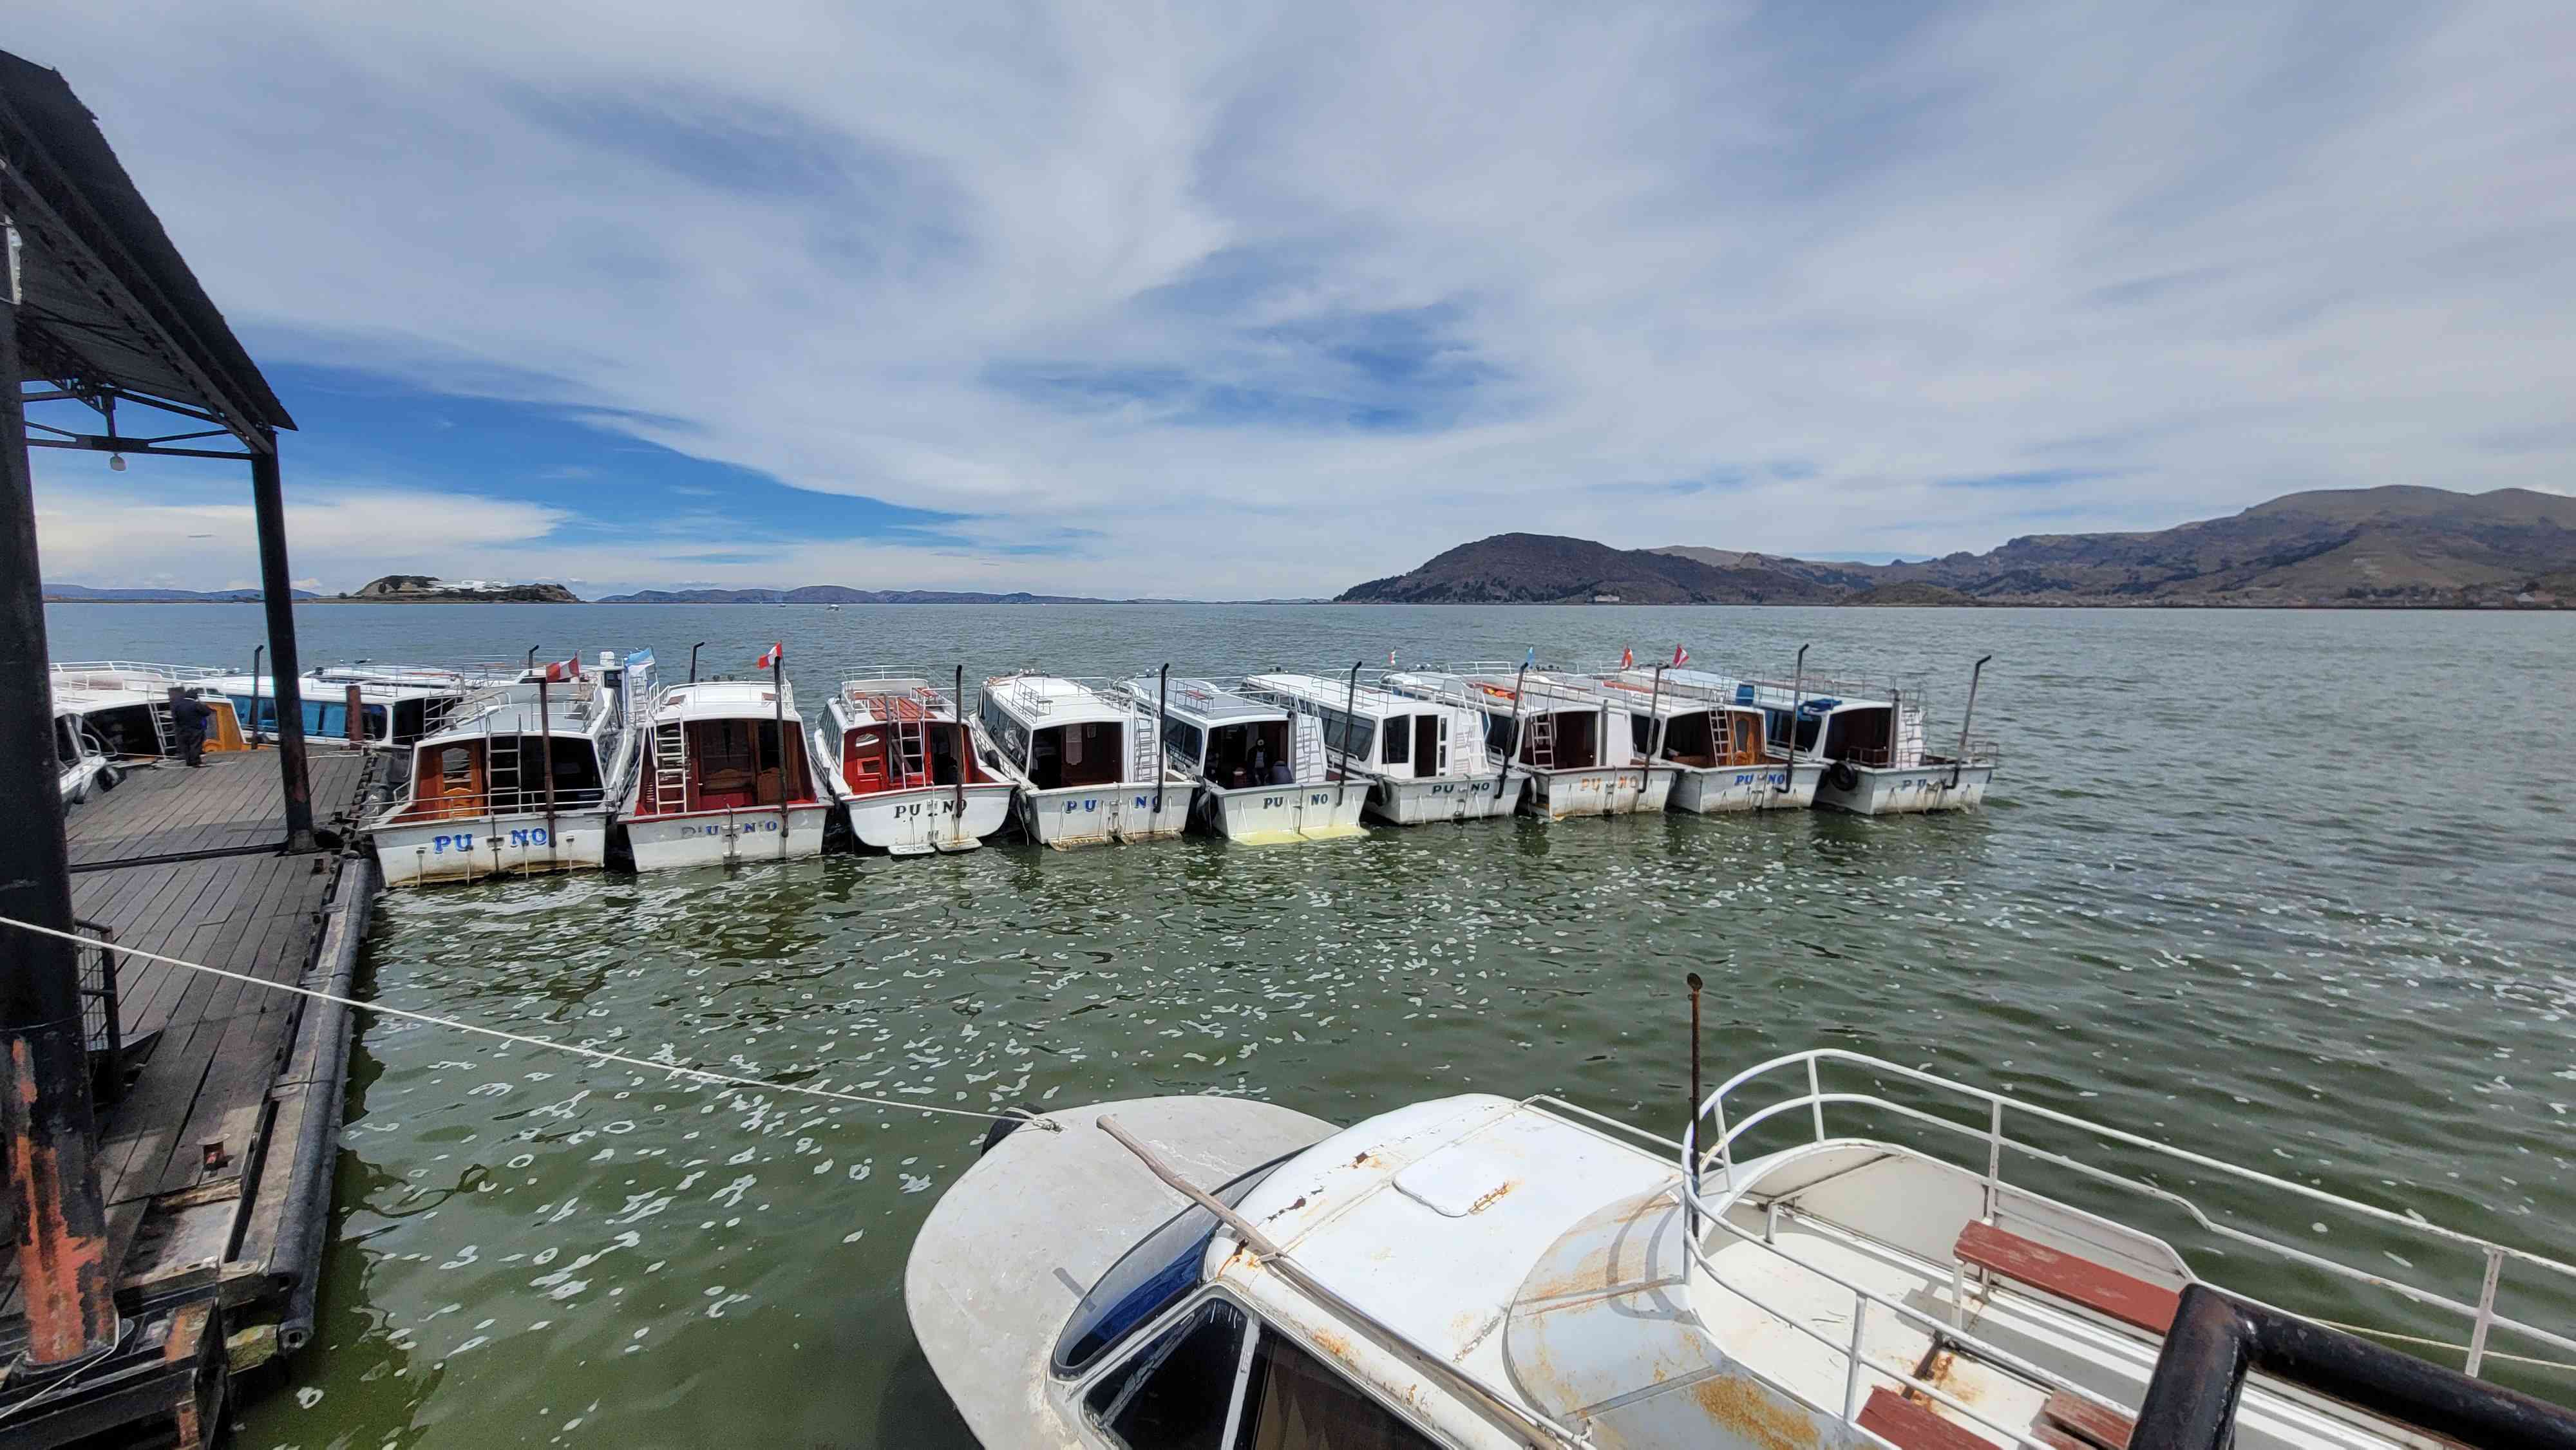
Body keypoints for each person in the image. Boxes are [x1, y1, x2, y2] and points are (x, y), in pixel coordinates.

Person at [169, 687, 214, 768]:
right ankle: (196, 762)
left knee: (186, 746)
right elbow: (207, 712)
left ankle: (189, 761)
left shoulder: (178, 705)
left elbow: (175, 717)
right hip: (195, 728)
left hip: (182, 729)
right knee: (195, 745)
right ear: (195, 696)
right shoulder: (195, 704)